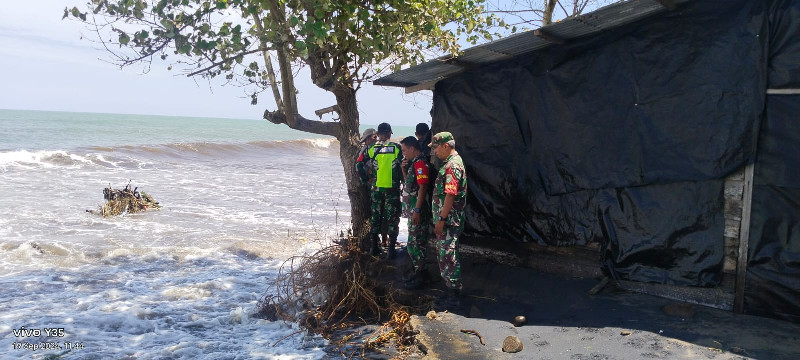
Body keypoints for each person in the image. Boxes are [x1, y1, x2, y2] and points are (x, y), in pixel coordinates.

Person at [429, 131, 468, 306]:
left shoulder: (452, 166)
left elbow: (450, 195)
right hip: (448, 218)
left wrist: (442, 218)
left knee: (448, 254)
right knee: (445, 253)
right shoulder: (449, 163)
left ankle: (454, 294)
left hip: (449, 219)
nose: (434, 151)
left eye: (436, 147)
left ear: (446, 146)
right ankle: (450, 290)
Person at [399, 136, 432, 288]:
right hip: (412, 209)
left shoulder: (420, 163)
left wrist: (417, 210)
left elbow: (423, 187)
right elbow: (409, 185)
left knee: (415, 244)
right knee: (414, 243)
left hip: (417, 210)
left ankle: (421, 275)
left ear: (412, 148)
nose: (403, 153)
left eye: (405, 150)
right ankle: (419, 273)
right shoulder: (414, 163)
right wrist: (404, 169)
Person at [367, 123, 403, 258]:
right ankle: (391, 251)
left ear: (378, 134)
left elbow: (359, 163)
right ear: (388, 134)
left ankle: (374, 248)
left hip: (376, 189)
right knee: (392, 218)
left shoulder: (371, 148)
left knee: (376, 217)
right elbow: (402, 166)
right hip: (391, 189)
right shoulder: (396, 148)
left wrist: (367, 179)